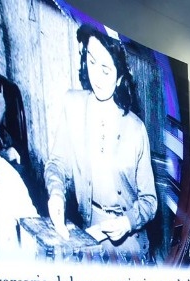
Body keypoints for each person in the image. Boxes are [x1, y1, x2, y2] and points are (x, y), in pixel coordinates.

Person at [44, 25, 157, 264]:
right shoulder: (73, 106)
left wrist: (127, 222)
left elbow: (150, 200)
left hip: (128, 241)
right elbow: (58, 163)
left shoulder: (136, 130)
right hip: (88, 233)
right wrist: (56, 194)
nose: (96, 76)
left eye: (106, 70)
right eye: (91, 62)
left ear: (120, 78)